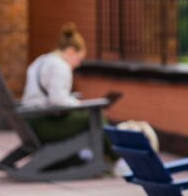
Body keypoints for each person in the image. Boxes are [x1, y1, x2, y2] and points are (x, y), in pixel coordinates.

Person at [22, 23, 119, 163]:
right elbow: (58, 100)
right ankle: (117, 158)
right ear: (71, 51)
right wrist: (80, 105)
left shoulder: (41, 60)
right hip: (42, 125)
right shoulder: (60, 66)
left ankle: (101, 156)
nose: (79, 64)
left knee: (91, 115)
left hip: (30, 121)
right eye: (79, 59)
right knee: (96, 117)